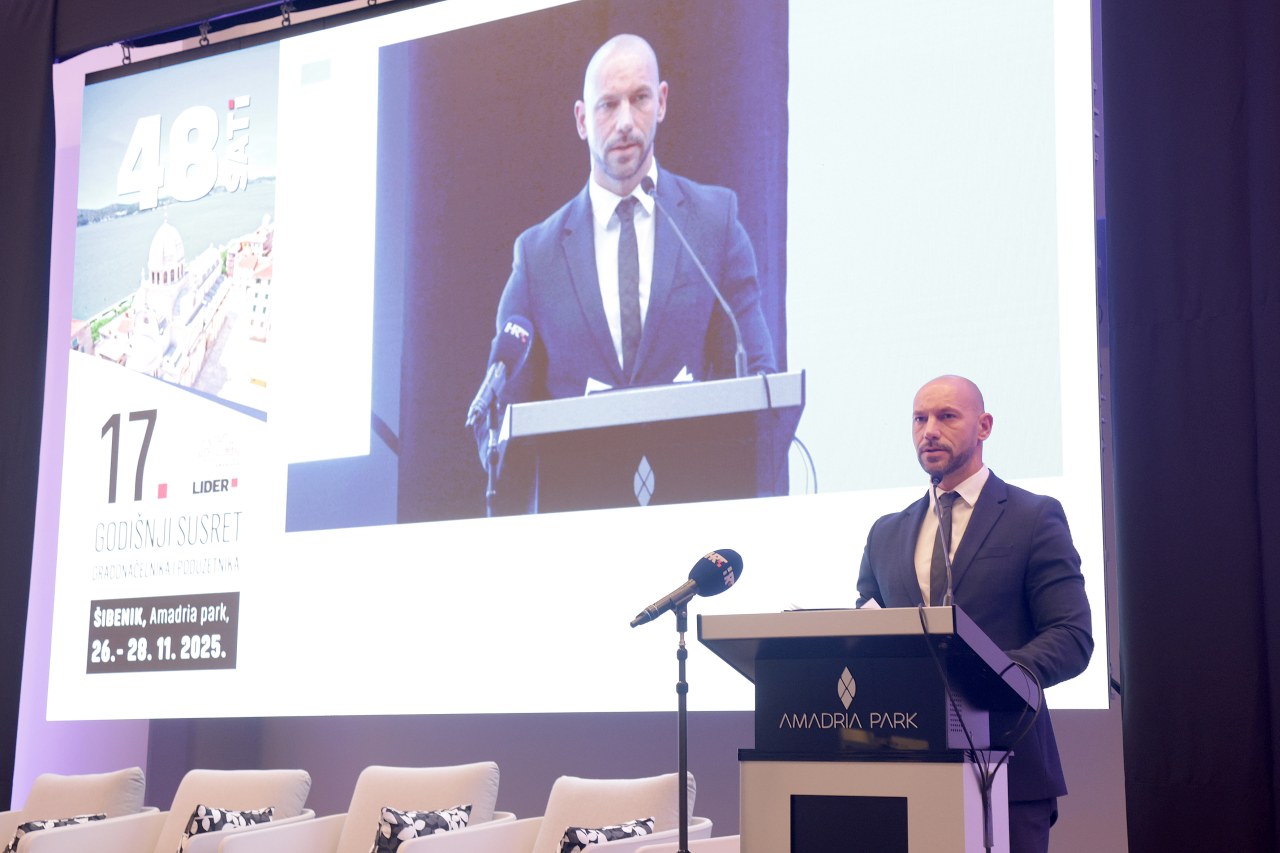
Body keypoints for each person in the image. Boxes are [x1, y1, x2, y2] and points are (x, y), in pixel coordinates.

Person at [478, 32, 776, 421]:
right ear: (582, 120)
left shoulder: (714, 223)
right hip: (579, 462)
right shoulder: (538, 256)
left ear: (661, 102)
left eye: (639, 99)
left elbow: (760, 381)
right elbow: (497, 417)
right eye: (607, 105)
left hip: (694, 458)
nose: (624, 122)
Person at [855, 375, 1093, 853]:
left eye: (946, 416)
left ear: (984, 426)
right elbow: (867, 630)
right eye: (919, 419)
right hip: (906, 775)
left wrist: (991, 676)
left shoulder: (1033, 516)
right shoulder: (886, 532)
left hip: (1009, 767)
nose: (929, 430)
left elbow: (1071, 635)